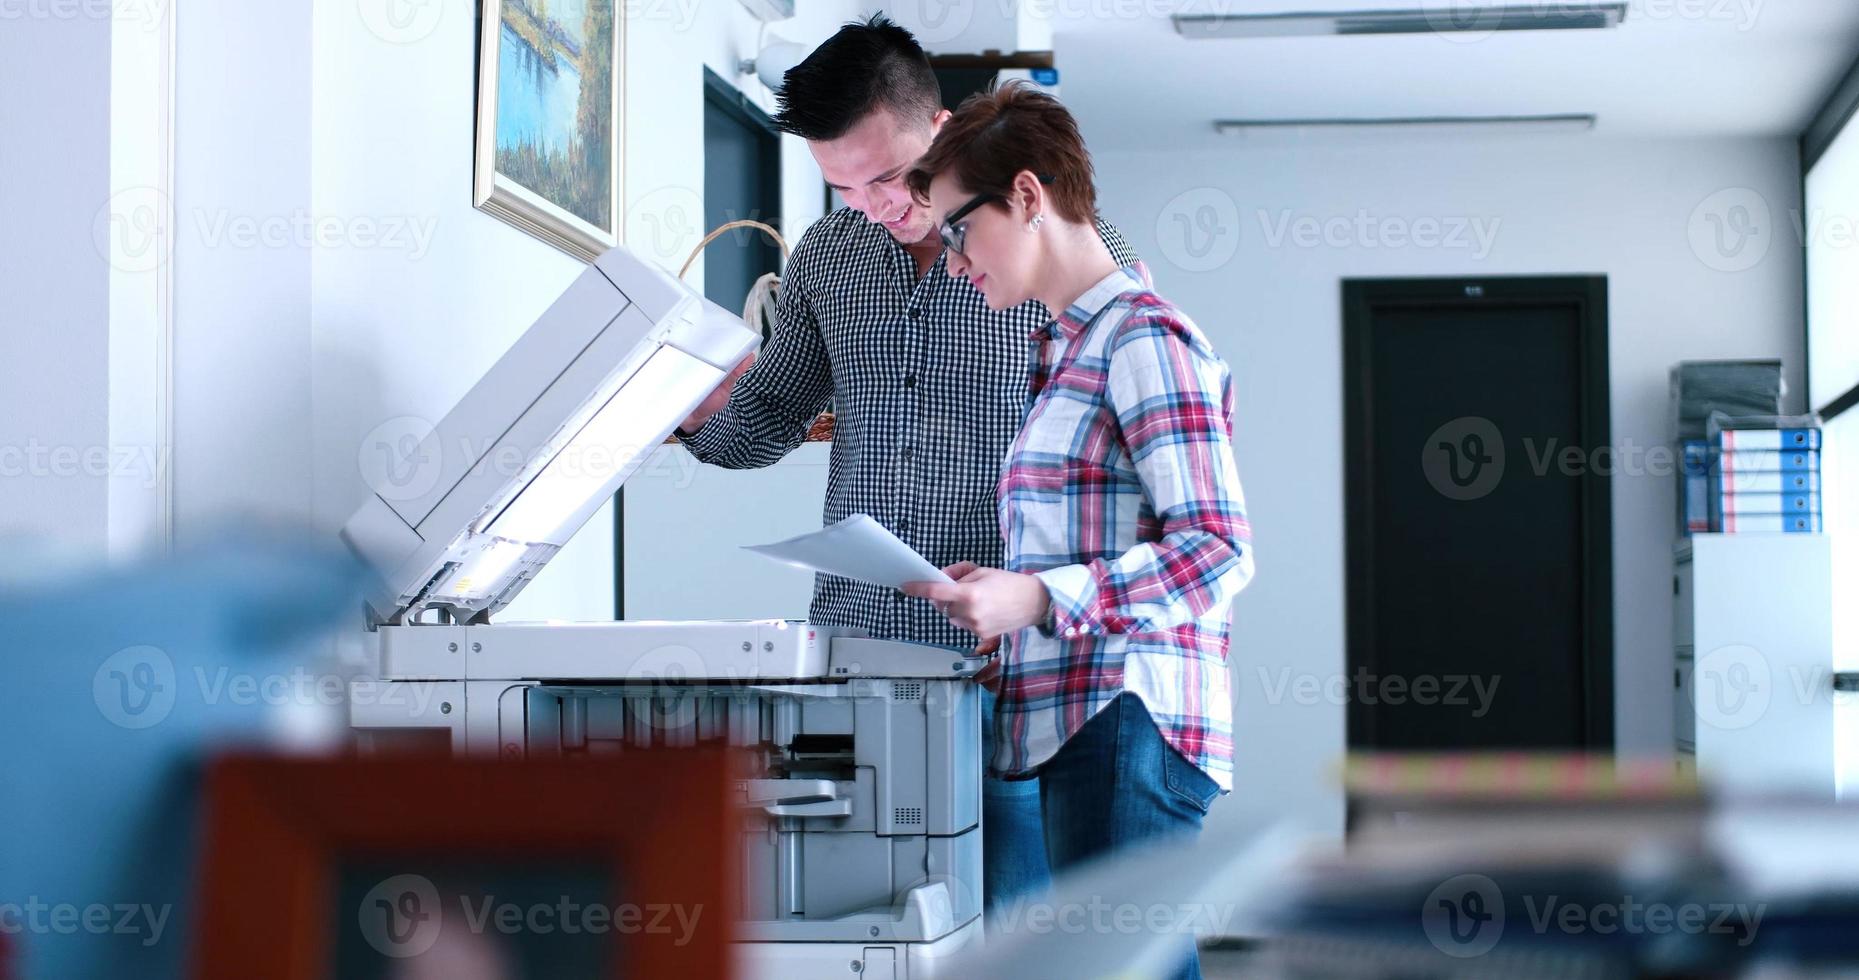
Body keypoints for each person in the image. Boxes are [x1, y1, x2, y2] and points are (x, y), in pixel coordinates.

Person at [673, 16, 1139, 924]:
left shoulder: (1065, 248)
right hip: (859, 654)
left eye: (887, 177)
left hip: (1016, 661)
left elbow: (1130, 458)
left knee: (1020, 931)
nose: (874, 204)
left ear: (942, 126)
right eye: (842, 187)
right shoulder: (827, 258)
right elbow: (767, 418)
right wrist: (691, 409)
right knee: (883, 929)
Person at [900, 83, 1254, 980]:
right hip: (1079, 722)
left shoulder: (1143, 338)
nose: (951, 262)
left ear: (1026, 195)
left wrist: (1037, 595)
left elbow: (1217, 550)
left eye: (956, 230)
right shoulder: (1063, 352)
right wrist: (1005, 591)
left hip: (1124, 721)